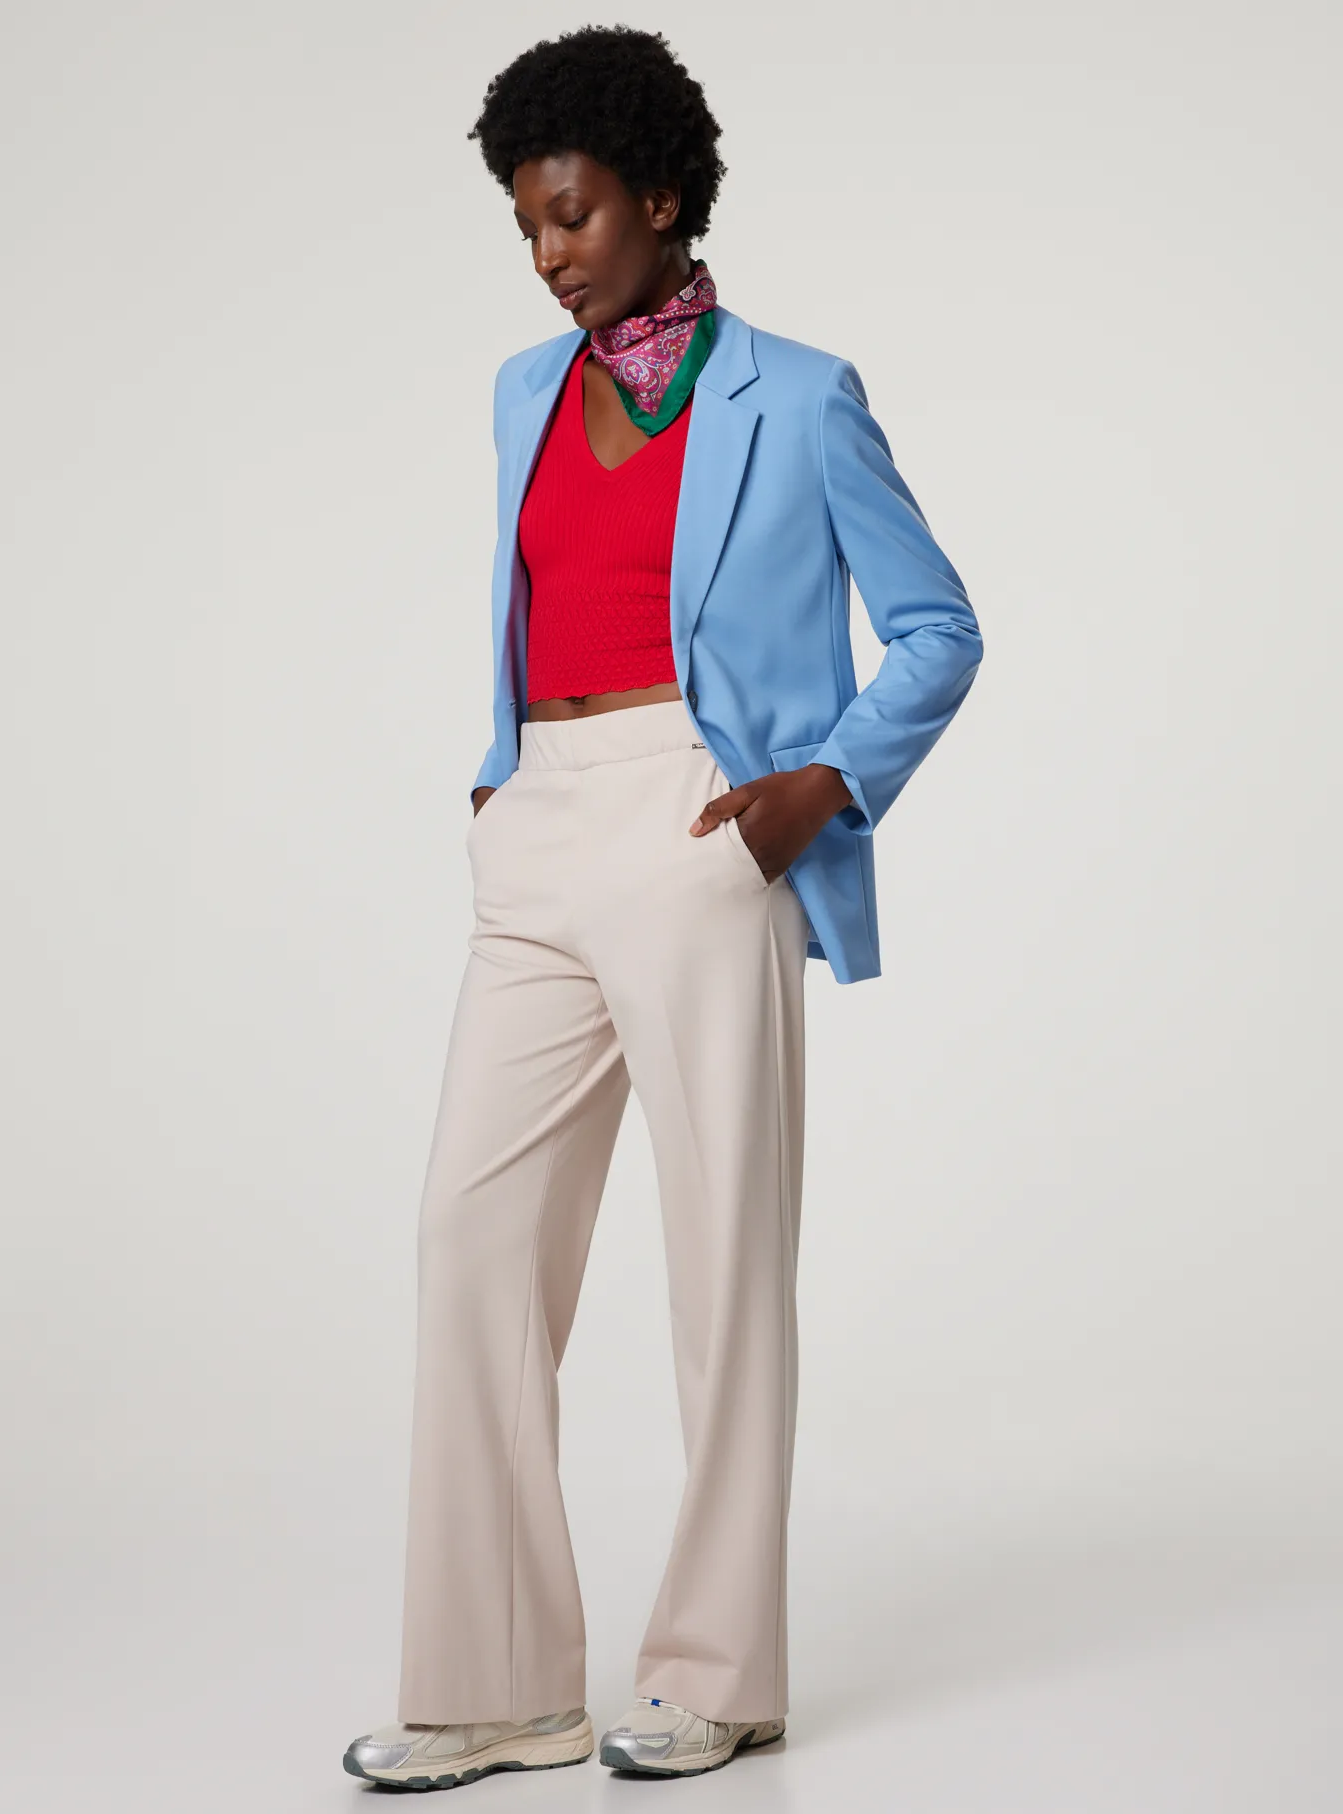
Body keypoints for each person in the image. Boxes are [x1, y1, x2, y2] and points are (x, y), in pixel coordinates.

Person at [344, 23, 983, 1791]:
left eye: (570, 216)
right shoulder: (519, 390)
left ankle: (719, 1670)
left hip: (709, 821)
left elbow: (939, 626)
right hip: (541, 827)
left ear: (661, 198)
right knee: (470, 1236)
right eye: (525, 228)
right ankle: (496, 1681)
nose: (548, 254)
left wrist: (818, 787)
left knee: (722, 1263)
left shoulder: (804, 392)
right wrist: (503, 775)